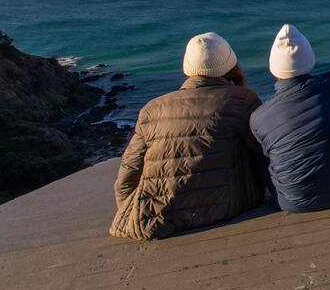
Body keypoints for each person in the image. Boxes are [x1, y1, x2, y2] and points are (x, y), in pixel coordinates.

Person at [109, 32, 269, 240]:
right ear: (231, 64)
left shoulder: (152, 109)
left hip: (158, 217)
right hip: (228, 205)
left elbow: (128, 172)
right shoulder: (241, 100)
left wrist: (129, 209)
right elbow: (265, 152)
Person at [249, 24, 330, 213]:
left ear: (273, 68)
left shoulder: (258, 117)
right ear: (310, 60)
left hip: (294, 203)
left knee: (265, 148)